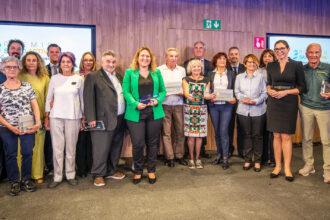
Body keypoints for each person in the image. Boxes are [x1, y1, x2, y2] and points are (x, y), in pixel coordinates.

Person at [123, 47, 166, 184]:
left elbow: (163, 91)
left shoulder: (156, 72)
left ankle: (151, 170)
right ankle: (138, 171)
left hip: (154, 112)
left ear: (151, 59)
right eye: (142, 56)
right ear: (137, 57)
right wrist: (135, 103)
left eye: (147, 56)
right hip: (136, 113)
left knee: (153, 144)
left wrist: (157, 100)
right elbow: (126, 92)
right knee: (138, 144)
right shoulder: (130, 72)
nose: (145, 58)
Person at [84, 51, 126, 187]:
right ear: (102, 62)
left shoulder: (119, 76)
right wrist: (91, 118)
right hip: (101, 119)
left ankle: (111, 170)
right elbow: (88, 99)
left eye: (113, 62)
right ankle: (98, 174)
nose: (111, 64)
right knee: (100, 148)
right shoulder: (93, 76)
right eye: (108, 61)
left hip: (120, 118)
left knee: (115, 146)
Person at [0, 56, 41, 196]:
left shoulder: (27, 86)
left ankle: (26, 180)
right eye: (8, 67)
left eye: (14, 67)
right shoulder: (0, 89)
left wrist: (38, 122)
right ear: (3, 69)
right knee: (10, 154)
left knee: (28, 153)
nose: (11, 69)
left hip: (27, 126)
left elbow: (34, 105)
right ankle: (14, 182)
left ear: (18, 69)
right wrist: (10, 127)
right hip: (7, 128)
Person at [267, 40, 306, 182]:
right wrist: (269, 90)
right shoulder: (270, 65)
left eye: (282, 48)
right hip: (274, 102)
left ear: (288, 49)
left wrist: (286, 92)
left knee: (286, 137)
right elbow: (269, 83)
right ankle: (277, 167)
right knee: (276, 135)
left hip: (289, 102)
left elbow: (302, 88)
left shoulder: (297, 65)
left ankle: (287, 168)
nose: (279, 51)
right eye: (276, 49)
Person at [45, 52, 84, 188]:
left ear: (73, 63)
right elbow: (49, 98)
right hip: (55, 117)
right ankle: (57, 176)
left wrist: (83, 116)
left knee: (71, 148)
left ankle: (70, 174)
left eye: (68, 61)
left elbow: (82, 99)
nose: (66, 64)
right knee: (57, 148)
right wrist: (47, 117)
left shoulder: (79, 78)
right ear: (60, 64)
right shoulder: (54, 78)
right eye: (63, 62)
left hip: (73, 117)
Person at [298, 43, 330, 184]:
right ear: (306, 54)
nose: (313, 55)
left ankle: (328, 170)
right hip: (306, 107)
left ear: (320, 53)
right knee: (307, 139)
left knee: (326, 141)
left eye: (316, 52)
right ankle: (309, 165)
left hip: (324, 108)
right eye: (311, 52)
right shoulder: (302, 69)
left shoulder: (328, 67)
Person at [19, 51, 50, 184]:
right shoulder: (19, 76)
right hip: (23, 117)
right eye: (28, 60)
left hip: (40, 116)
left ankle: (37, 174)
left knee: (38, 146)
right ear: (24, 62)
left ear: (38, 62)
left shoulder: (45, 77)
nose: (31, 62)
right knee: (22, 147)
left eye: (34, 60)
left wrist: (47, 116)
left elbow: (49, 98)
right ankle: (21, 175)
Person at [235, 54, 267, 172]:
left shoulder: (261, 77)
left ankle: (257, 161)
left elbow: (264, 93)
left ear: (257, 64)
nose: (251, 64)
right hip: (243, 111)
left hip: (258, 110)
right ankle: (248, 160)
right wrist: (243, 98)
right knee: (246, 135)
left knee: (257, 136)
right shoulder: (239, 77)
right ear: (245, 63)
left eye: (254, 62)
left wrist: (256, 101)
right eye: (249, 62)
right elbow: (236, 91)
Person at [182, 59, 215, 169]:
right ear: (190, 68)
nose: (196, 68)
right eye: (194, 67)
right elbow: (187, 93)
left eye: (199, 67)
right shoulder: (185, 79)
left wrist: (210, 96)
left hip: (201, 110)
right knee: (191, 136)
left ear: (201, 69)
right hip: (189, 110)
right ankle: (191, 159)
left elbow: (206, 94)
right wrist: (202, 96)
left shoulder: (207, 79)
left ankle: (198, 158)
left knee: (200, 136)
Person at [158, 48, 187, 167]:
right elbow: (158, 87)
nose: (174, 58)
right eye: (171, 56)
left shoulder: (182, 70)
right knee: (166, 132)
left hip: (179, 104)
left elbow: (184, 86)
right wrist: (163, 92)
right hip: (164, 104)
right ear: (166, 57)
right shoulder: (159, 70)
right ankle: (169, 157)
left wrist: (183, 92)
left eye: (176, 56)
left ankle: (179, 155)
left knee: (180, 131)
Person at [208, 52, 236, 170]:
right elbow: (207, 89)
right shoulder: (210, 74)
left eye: (224, 59)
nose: (222, 61)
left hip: (227, 106)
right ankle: (219, 155)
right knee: (217, 131)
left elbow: (235, 89)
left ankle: (225, 157)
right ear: (216, 61)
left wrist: (234, 98)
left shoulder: (231, 74)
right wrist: (209, 96)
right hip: (214, 106)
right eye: (220, 59)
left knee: (224, 131)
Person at [76, 52, 97, 178]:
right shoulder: (76, 76)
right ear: (82, 62)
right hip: (79, 114)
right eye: (85, 60)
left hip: (94, 114)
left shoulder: (98, 76)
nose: (88, 62)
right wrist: (82, 115)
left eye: (90, 60)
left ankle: (91, 167)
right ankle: (81, 169)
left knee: (92, 142)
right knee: (81, 142)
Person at [44, 43, 62, 176]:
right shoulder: (42, 70)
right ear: (48, 54)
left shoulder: (66, 69)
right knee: (49, 142)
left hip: (64, 110)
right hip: (49, 108)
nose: (54, 54)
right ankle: (50, 167)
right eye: (52, 52)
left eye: (57, 52)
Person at [259, 49, 276, 167]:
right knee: (263, 131)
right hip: (261, 103)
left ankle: (273, 158)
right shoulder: (259, 71)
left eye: (270, 56)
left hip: (275, 102)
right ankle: (264, 157)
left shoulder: (278, 69)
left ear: (274, 58)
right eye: (265, 56)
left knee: (273, 132)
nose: (267, 58)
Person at [227, 46, 246, 158]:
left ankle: (242, 150)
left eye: (236, 54)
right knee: (228, 127)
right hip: (228, 103)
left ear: (239, 55)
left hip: (242, 103)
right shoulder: (225, 67)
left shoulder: (245, 67)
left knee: (242, 127)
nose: (234, 56)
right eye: (232, 54)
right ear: (229, 56)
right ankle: (229, 149)